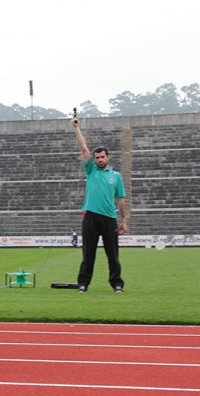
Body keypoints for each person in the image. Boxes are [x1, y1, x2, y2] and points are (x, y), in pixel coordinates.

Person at [71, 116, 128, 293]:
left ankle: (117, 283)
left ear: (108, 157)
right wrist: (76, 128)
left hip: (110, 218)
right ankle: (83, 283)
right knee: (88, 253)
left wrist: (124, 220)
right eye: (97, 157)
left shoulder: (116, 176)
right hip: (91, 216)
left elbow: (121, 199)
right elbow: (83, 148)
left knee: (113, 254)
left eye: (103, 157)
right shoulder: (91, 170)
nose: (100, 159)